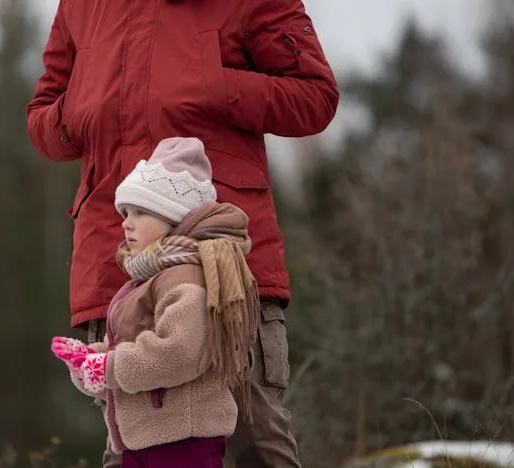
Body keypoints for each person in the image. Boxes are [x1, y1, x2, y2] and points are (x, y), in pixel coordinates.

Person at [26, 0, 339, 465]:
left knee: (253, 441)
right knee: (134, 444)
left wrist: (213, 84)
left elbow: (315, 99)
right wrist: (83, 105)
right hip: (117, 264)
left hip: (225, 268)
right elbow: (42, 121)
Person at [51, 137, 258, 468]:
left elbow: (180, 351)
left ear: (173, 218)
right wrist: (92, 362)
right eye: (125, 212)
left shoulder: (185, 275)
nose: (126, 222)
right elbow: (134, 348)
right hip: (148, 439)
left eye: (140, 212)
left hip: (182, 443)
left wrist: (108, 368)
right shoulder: (146, 279)